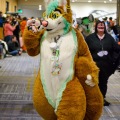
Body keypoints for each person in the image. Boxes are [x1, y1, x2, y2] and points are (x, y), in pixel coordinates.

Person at [85, 20, 120, 106]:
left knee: (103, 82)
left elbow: (117, 50)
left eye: (102, 26)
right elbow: (85, 50)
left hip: (106, 65)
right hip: (93, 65)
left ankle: (102, 98)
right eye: (99, 26)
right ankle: (93, 99)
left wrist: (112, 59)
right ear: (96, 27)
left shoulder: (109, 38)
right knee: (93, 82)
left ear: (105, 27)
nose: (101, 28)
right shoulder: (89, 38)